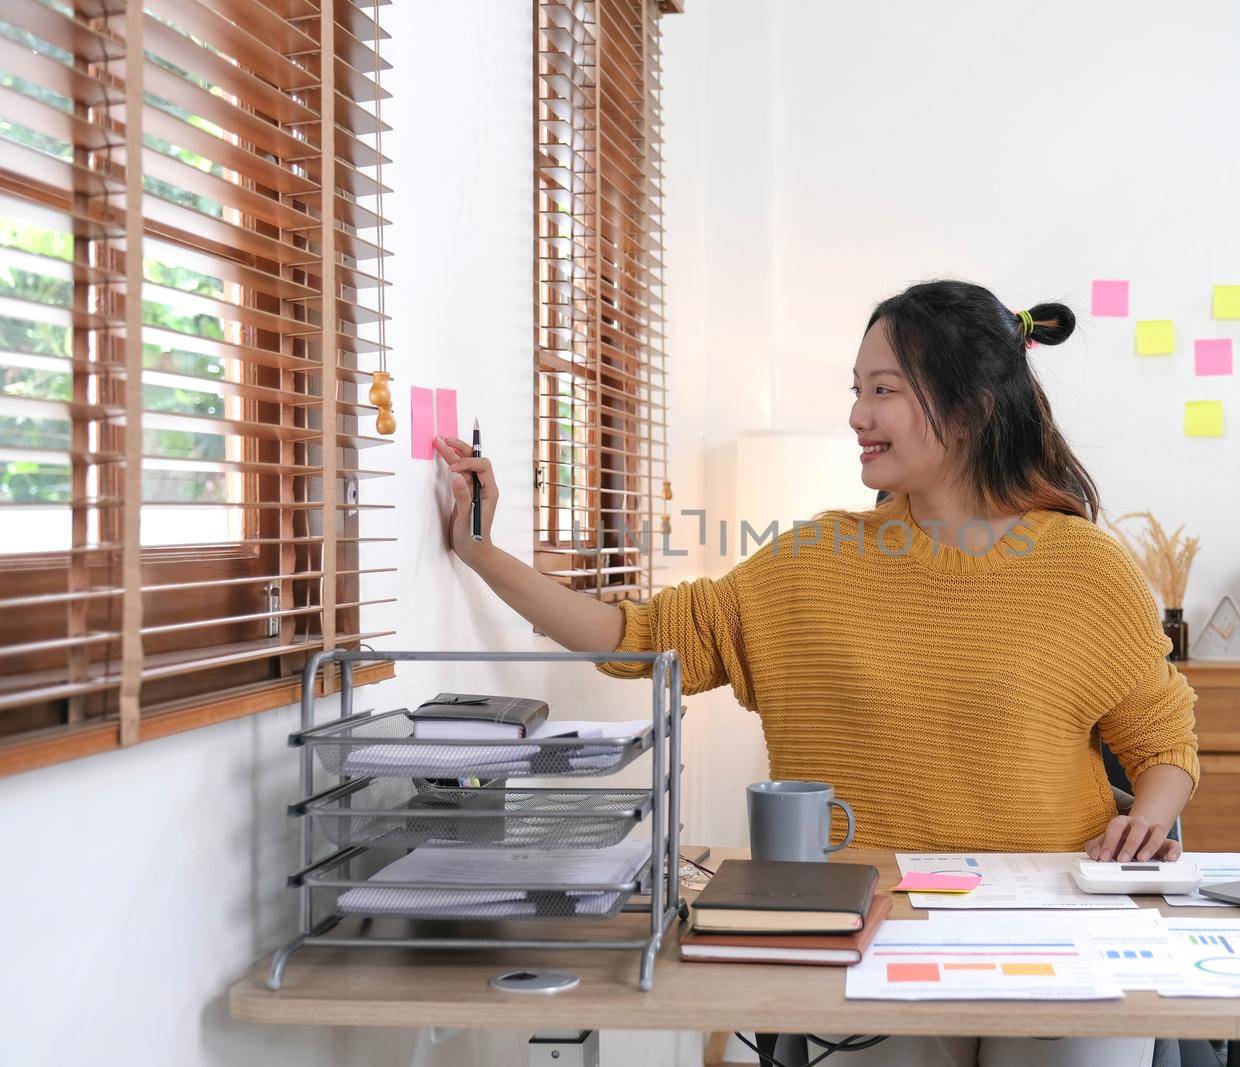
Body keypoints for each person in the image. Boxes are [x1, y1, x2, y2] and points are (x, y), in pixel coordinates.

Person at [434, 279, 1198, 1067]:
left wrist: (1148, 816)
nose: (857, 414)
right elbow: (634, 637)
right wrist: (480, 549)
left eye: (883, 391)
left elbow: (1162, 736)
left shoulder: (1086, 566)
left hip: (1057, 928)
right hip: (866, 930)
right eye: (857, 390)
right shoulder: (812, 562)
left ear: (969, 411)